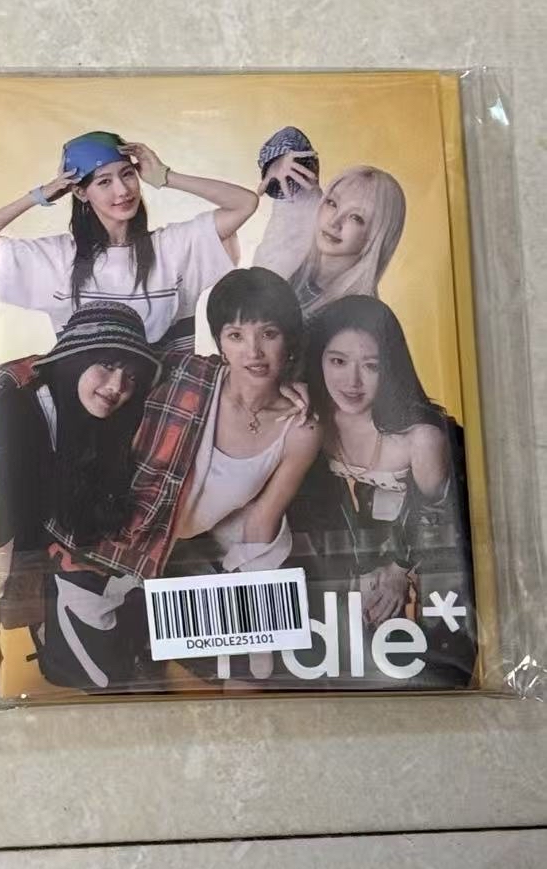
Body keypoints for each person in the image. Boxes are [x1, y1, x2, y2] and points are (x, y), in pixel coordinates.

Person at [65, 269, 321, 690]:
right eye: (236, 335)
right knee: (103, 677)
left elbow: (261, 521)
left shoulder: (301, 428)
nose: (253, 352)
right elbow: (92, 369)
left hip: (193, 554)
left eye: (269, 334)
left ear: (288, 339)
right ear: (220, 342)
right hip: (121, 537)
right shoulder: (184, 375)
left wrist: (259, 626)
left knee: (253, 674)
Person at [297, 295, 475, 682]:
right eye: (338, 361)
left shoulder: (420, 437)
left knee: (434, 662)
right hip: (359, 555)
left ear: (390, 367)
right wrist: (358, 573)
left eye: (371, 366)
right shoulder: (310, 421)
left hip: (429, 554)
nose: (352, 382)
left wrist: (397, 570)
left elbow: (439, 521)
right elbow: (320, 511)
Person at [0, 304, 162, 686]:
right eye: (106, 365)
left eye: (130, 376)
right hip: (8, 554)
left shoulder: (113, 420)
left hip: (66, 553)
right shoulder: (17, 409)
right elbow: (2, 520)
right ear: (76, 359)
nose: (117, 386)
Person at [0, 130, 258, 352]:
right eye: (104, 182)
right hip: (84, 402)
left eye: (127, 174)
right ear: (80, 193)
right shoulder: (58, 257)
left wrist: (165, 177)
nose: (123, 190)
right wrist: (40, 195)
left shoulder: (172, 247)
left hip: (170, 400)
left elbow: (245, 203)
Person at [252, 128, 406, 320]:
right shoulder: (299, 236)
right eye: (332, 203)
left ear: (377, 235)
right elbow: (290, 137)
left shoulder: (359, 318)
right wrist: (277, 162)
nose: (334, 222)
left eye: (356, 217)